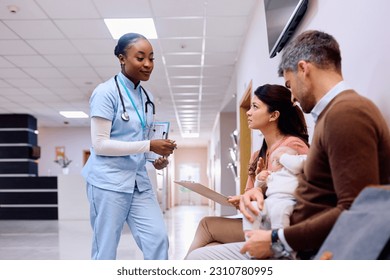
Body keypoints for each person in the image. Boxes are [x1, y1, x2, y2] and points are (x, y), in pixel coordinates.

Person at [186, 30, 390, 260]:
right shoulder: (335, 114)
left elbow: (355, 210)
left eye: (290, 85)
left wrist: (278, 240)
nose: (292, 97)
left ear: (304, 69)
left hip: (301, 249)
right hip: (293, 237)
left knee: (199, 259)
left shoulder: (345, 114)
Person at [184, 84, 310, 258]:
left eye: (255, 107)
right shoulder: (259, 154)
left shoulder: (292, 146)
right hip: (259, 219)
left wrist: (263, 188)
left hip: (276, 224)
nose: (248, 112)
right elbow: (249, 194)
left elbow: (302, 192)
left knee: (207, 226)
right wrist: (252, 183)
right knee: (210, 244)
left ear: (274, 115)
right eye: (250, 106)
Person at [82, 33, 177, 260]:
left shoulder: (147, 97)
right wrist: (149, 146)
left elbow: (141, 139)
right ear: (122, 58)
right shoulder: (105, 93)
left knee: (158, 239)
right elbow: (100, 144)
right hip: (108, 182)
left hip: (138, 182)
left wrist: (156, 158)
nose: (147, 64)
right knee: (105, 249)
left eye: (152, 58)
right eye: (140, 57)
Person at [242, 146, 306, 235]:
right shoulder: (273, 175)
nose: (277, 159)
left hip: (287, 200)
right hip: (270, 202)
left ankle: (277, 239)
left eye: (280, 157)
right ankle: (250, 236)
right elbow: (258, 189)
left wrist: (281, 156)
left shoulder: (298, 169)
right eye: (274, 160)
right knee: (253, 206)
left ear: (296, 155)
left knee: (279, 211)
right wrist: (259, 179)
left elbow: (297, 164)